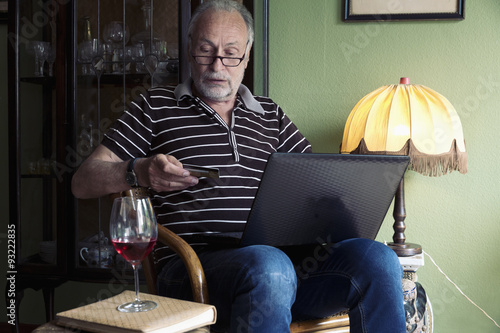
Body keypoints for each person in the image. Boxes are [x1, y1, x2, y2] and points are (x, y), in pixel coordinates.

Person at [71, 1, 406, 332]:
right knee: (270, 267)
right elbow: (82, 181)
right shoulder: (155, 106)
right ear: (190, 50)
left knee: (379, 259)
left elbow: (316, 182)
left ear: (246, 55)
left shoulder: (270, 114)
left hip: (286, 273)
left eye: (231, 52)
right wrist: (138, 171)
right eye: (206, 50)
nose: (219, 64)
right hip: (194, 273)